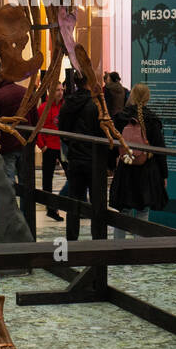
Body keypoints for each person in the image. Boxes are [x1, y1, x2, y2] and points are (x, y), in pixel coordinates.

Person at [110, 83, 168, 239]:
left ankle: (117, 246)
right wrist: (164, 175)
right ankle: (140, 248)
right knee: (143, 211)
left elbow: (112, 144)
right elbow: (160, 150)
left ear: (132, 96)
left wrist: (112, 165)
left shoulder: (120, 118)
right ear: (148, 98)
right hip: (146, 170)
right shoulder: (152, 120)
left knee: (124, 211)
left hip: (126, 168)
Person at [57, 73, 104, 236]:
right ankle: (98, 238)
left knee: (74, 201)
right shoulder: (95, 104)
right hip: (94, 158)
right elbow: (101, 131)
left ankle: (71, 237)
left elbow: (62, 129)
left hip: (75, 157)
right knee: (97, 202)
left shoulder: (68, 103)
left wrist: (72, 145)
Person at [0, 64, 27, 179]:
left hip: (7, 146)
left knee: (8, 181)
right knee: (26, 181)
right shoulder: (25, 92)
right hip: (24, 144)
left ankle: (10, 197)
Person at [35, 81, 66, 221]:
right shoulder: (43, 108)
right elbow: (38, 128)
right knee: (48, 179)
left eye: (61, 89)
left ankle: (60, 203)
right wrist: (43, 146)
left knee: (71, 176)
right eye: (57, 90)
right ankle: (50, 208)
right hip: (50, 147)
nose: (60, 92)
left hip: (62, 146)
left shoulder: (64, 107)